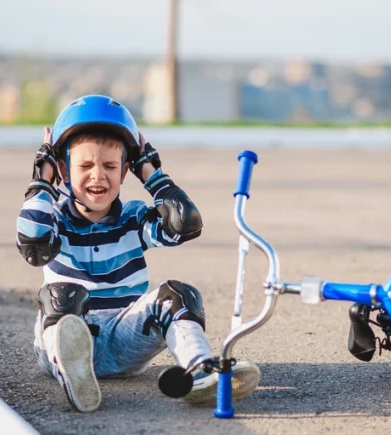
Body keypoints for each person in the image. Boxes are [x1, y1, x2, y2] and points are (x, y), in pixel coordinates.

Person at [15, 94, 260, 412]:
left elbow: (184, 224)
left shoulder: (133, 218)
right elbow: (33, 243)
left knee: (178, 294)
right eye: (85, 165)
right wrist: (43, 178)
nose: (98, 175)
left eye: (110, 166)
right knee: (62, 294)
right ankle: (75, 376)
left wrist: (152, 174)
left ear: (125, 169)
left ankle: (200, 371)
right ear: (63, 168)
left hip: (123, 339)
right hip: (64, 337)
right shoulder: (55, 219)